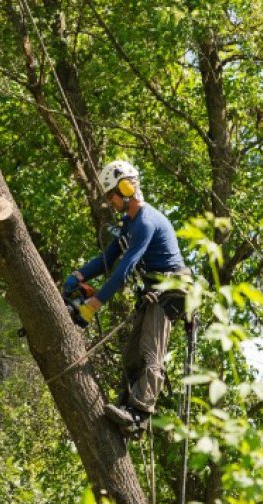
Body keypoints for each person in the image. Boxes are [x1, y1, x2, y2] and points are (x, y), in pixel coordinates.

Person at [63, 160, 189, 437]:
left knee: (149, 352)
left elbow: (124, 270)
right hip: (154, 291)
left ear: (126, 188)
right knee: (131, 354)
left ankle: (139, 414)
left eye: (111, 195)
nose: (110, 201)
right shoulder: (128, 223)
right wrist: (78, 277)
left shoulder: (146, 221)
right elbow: (108, 259)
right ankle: (124, 406)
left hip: (171, 291)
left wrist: (92, 307)